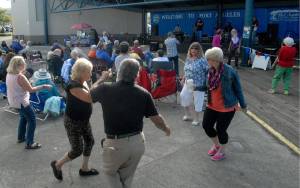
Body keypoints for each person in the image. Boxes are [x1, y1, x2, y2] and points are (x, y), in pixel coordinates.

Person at [90, 59, 171, 188]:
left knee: (110, 173)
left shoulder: (105, 88)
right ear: (136, 75)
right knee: (127, 176)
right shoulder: (144, 93)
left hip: (115, 144)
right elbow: (156, 118)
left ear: (119, 73)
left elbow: (87, 96)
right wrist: (166, 128)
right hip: (137, 143)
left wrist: (101, 79)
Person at [51, 58, 101, 181]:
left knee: (90, 141)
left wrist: (100, 81)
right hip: (73, 122)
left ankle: (84, 169)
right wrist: (102, 80)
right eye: (89, 71)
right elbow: (90, 98)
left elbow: (90, 91)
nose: (91, 74)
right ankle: (57, 164)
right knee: (77, 150)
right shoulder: (73, 85)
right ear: (81, 72)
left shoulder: (83, 81)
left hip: (83, 120)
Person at [202, 47, 247, 161]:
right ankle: (216, 145)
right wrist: (193, 87)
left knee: (221, 130)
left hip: (226, 107)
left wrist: (243, 105)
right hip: (212, 104)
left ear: (216, 59)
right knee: (206, 126)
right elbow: (207, 86)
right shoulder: (210, 70)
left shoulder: (230, 71)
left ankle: (222, 151)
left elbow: (238, 89)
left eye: (209, 59)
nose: (208, 61)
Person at [6, 56, 52, 149]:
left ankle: (21, 138)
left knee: (23, 118)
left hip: (13, 101)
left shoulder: (9, 74)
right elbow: (31, 90)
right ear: (19, 65)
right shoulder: (20, 77)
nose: (25, 65)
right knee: (32, 121)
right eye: (24, 63)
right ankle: (29, 143)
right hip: (22, 102)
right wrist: (44, 86)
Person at [180, 42, 208, 126]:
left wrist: (206, 83)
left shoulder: (203, 60)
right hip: (188, 82)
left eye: (196, 48)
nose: (194, 50)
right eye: (192, 48)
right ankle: (187, 114)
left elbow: (208, 72)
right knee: (183, 96)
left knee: (197, 101)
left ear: (199, 50)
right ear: (190, 49)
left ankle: (197, 119)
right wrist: (183, 78)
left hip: (199, 84)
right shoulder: (188, 58)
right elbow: (186, 70)